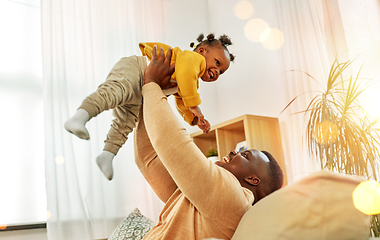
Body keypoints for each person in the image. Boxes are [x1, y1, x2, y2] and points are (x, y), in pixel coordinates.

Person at [135, 45, 284, 239]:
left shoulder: (234, 198)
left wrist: (152, 84)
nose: (233, 152)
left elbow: (171, 143)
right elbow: (148, 159)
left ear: (253, 180)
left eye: (245, 155)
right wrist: (156, 92)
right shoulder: (204, 197)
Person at [64, 33, 235, 180]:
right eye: (218, 63)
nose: (217, 72)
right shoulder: (192, 60)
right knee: (113, 93)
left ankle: (107, 154)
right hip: (137, 69)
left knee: (125, 123)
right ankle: (79, 117)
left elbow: (182, 102)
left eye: (221, 72)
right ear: (202, 51)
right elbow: (186, 79)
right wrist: (195, 106)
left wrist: (194, 118)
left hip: (143, 89)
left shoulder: (191, 83)